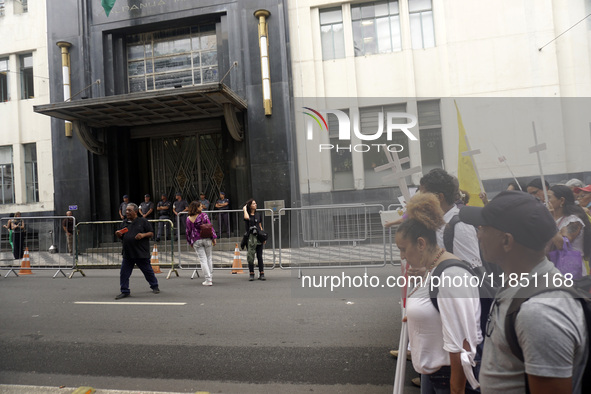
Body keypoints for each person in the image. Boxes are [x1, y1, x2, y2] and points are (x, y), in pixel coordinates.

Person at [459, 190, 588, 394]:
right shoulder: (517, 283)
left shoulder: (540, 311)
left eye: (483, 227)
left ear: (507, 241)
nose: (478, 234)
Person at [395, 193, 481, 393]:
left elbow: (460, 343)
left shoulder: (451, 275)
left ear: (421, 244)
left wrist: (456, 389)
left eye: (403, 249)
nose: (402, 256)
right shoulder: (434, 268)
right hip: (436, 375)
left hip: (449, 379)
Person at [419, 168, 482, 267]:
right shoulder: (435, 223)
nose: (420, 201)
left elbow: (470, 269)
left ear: (440, 197)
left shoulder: (460, 226)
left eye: (424, 197)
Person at [114, 203, 159, 299]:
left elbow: (151, 233)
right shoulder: (124, 223)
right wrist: (119, 235)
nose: (127, 212)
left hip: (140, 252)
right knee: (124, 273)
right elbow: (122, 237)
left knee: (147, 271)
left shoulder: (143, 221)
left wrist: (143, 235)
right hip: (128, 253)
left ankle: (154, 286)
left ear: (135, 211)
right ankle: (125, 290)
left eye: (129, 210)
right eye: (126, 210)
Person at [547, 185, 591, 278]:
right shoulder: (553, 219)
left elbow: (561, 244)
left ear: (562, 200)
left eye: (549, 197)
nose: (546, 201)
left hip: (571, 273)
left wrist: (550, 221)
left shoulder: (574, 220)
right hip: (553, 271)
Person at [186, 201, 217, 286]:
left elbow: (188, 231)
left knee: (203, 260)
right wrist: (214, 238)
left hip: (196, 240)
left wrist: (190, 241)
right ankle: (210, 277)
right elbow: (210, 226)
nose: (202, 207)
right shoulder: (203, 215)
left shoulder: (188, 219)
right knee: (209, 258)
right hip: (207, 238)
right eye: (200, 206)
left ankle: (208, 279)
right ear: (196, 208)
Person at [243, 198, 265, 281]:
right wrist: (245, 209)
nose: (255, 205)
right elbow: (247, 218)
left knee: (259, 256)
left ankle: (261, 273)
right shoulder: (247, 214)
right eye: (253, 204)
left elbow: (260, 225)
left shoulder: (258, 214)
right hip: (250, 237)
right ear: (250, 206)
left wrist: (263, 236)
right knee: (251, 256)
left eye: (255, 203)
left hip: (258, 237)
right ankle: (251, 273)